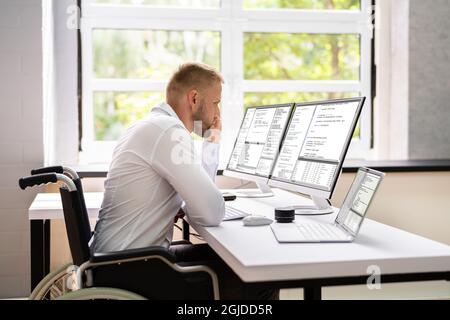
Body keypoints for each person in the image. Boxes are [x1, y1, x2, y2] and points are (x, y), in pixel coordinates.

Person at [91, 62, 278, 300]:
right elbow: (211, 212)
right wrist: (198, 202)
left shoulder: (154, 126)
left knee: (229, 259)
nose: (217, 114)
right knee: (258, 274)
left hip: (118, 263)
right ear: (194, 98)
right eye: (215, 103)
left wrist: (211, 143)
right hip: (131, 272)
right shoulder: (168, 131)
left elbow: (202, 199)